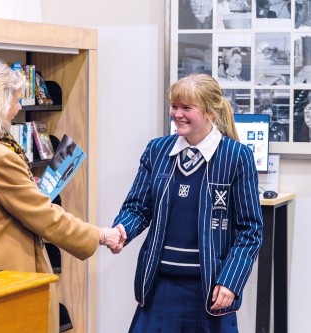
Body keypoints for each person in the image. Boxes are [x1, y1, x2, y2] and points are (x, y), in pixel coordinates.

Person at [0, 59, 126, 332]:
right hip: (5, 286)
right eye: (15, 100)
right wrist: (99, 235)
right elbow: (45, 217)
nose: (18, 108)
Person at [111, 74, 263, 332]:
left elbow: (250, 230)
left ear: (210, 112)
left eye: (186, 108)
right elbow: (137, 207)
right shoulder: (157, 150)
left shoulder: (236, 156)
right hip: (158, 287)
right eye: (174, 106)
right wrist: (121, 230)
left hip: (210, 290)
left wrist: (231, 281)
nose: (177, 114)